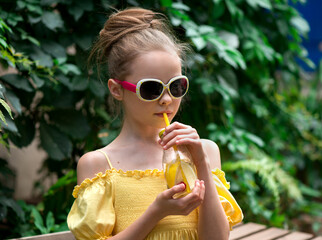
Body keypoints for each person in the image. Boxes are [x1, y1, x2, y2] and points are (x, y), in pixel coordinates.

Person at [67, 7, 243, 240]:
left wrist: (200, 161)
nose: (167, 99)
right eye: (151, 89)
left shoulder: (205, 151)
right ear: (117, 89)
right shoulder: (98, 165)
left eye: (176, 86)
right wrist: (156, 212)